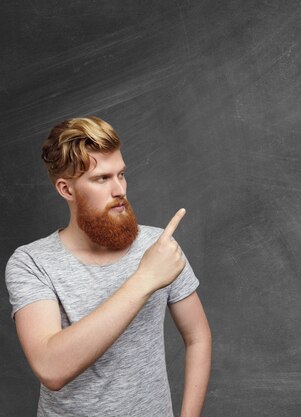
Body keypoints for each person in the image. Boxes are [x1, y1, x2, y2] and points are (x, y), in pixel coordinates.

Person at [5, 116, 212, 416]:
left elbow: (198, 337)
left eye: (121, 175)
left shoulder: (159, 246)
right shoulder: (32, 263)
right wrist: (145, 279)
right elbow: (51, 368)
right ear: (66, 189)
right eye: (102, 178)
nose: (120, 190)